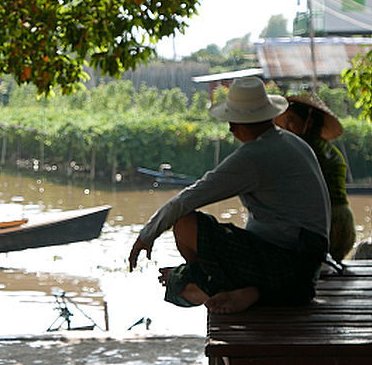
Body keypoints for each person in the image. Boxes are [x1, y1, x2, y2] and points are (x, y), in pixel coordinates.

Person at [128, 76, 331, 314]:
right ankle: (251, 291)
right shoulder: (292, 142)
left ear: (238, 124)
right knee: (182, 278)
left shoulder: (254, 156)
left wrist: (146, 236)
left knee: (184, 234)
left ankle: (226, 287)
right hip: (306, 270)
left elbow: (186, 200)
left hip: (288, 266)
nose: (231, 129)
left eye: (231, 123)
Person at [274, 93, 356, 262]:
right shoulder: (330, 150)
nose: (286, 126)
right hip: (345, 226)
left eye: (291, 120)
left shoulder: (303, 151)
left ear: (308, 123)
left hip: (325, 228)